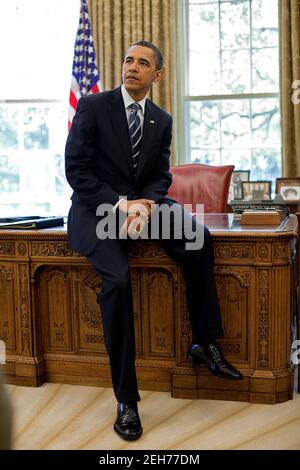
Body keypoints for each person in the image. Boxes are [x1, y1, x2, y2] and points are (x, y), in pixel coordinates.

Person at [65, 40, 243, 441]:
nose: (132, 67)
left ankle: (203, 342)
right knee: (118, 282)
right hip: (98, 211)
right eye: (129, 60)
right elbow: (76, 170)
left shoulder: (161, 120)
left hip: (144, 207)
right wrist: (122, 205)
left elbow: (160, 175)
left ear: (156, 75)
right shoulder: (93, 107)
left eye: (143, 63)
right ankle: (126, 399)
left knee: (198, 238)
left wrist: (145, 206)